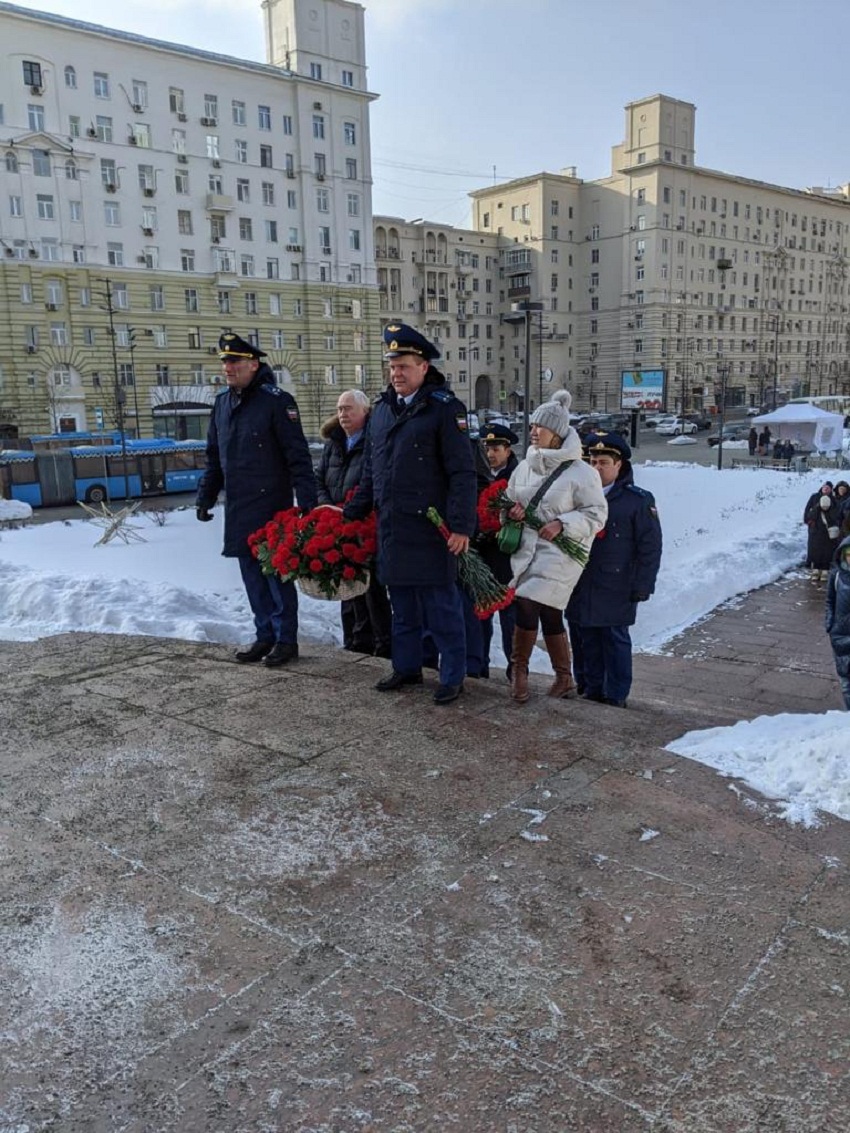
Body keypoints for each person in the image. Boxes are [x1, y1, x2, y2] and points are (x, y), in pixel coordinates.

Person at [344, 323, 477, 705]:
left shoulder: (444, 409)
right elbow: (372, 469)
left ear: (423, 367)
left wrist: (461, 527)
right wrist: (352, 510)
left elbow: (462, 472)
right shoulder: (383, 411)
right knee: (401, 607)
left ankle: (452, 676)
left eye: (403, 366)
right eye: (392, 367)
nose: (396, 374)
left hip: (432, 530)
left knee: (442, 609)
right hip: (394, 528)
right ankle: (407, 667)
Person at [196, 332, 317, 665]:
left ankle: (286, 640)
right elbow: (214, 456)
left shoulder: (277, 401)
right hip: (239, 507)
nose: (228, 367)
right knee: (252, 577)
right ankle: (265, 636)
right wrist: (205, 497)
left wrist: (309, 504)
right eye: (225, 361)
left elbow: (298, 457)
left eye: (234, 361)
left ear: (253, 364)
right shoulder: (223, 404)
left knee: (277, 576)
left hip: (271, 509)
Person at [503, 389, 608, 703]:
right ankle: (564, 677)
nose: (534, 431)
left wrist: (562, 523)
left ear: (558, 433)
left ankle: (519, 670)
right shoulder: (525, 466)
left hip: (561, 552)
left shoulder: (582, 472)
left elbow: (596, 514)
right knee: (548, 611)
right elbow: (509, 500)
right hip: (527, 547)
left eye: (541, 426)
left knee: (526, 600)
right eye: (533, 425)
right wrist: (511, 512)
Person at [567, 432, 663, 707]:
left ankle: (616, 694)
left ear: (619, 465)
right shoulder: (577, 496)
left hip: (617, 585)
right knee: (585, 637)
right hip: (581, 582)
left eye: (603, 463)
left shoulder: (637, 501)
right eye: (592, 462)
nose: (596, 468)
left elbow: (650, 547)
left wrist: (643, 584)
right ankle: (591, 687)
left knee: (613, 639)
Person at [316, 388, 392, 658]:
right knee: (346, 585)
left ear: (365, 411)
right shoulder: (334, 443)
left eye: (348, 408)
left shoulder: (373, 441)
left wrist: (354, 509)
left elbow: (373, 481)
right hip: (336, 524)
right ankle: (354, 641)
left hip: (365, 524)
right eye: (339, 409)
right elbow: (318, 479)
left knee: (371, 589)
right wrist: (327, 507)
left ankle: (382, 645)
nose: (342, 414)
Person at [477, 422, 520, 679]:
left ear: (508, 450)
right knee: (480, 617)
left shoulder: (519, 477)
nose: (490, 454)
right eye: (486, 448)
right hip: (481, 557)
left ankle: (515, 671)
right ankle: (478, 667)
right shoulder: (477, 473)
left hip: (508, 559)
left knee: (510, 620)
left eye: (496, 449)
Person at [825, 535, 850, 709]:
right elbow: (829, 601)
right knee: (846, 681)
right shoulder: (836, 575)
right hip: (840, 636)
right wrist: (830, 623)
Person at [804, 487, 841, 582]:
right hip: (816, 532)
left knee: (827, 552)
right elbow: (809, 516)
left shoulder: (834, 506)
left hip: (828, 533)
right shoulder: (815, 506)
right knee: (816, 551)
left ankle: (825, 570)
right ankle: (816, 569)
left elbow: (837, 517)